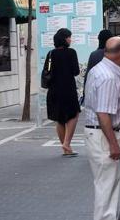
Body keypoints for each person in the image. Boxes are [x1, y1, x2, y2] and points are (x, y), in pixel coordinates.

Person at [84, 37, 120, 220]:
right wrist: (113, 144)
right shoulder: (108, 77)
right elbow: (103, 113)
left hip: (98, 132)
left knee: (107, 183)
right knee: (106, 185)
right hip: (103, 134)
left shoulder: (99, 69)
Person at [44, 28, 81, 156]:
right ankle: (67, 143)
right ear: (64, 39)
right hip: (68, 88)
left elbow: (47, 71)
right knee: (73, 114)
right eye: (69, 37)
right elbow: (76, 71)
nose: (70, 39)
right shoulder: (71, 52)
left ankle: (66, 148)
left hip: (54, 90)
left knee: (59, 119)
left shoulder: (51, 54)